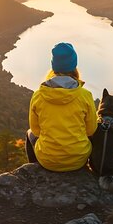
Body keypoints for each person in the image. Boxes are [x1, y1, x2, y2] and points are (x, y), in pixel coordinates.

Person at [25, 42, 97, 171]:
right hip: (78, 160)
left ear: (54, 66)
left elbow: (36, 131)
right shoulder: (85, 95)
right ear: (74, 65)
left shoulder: (38, 95)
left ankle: (34, 170)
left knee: (29, 133)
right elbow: (91, 130)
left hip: (47, 160)